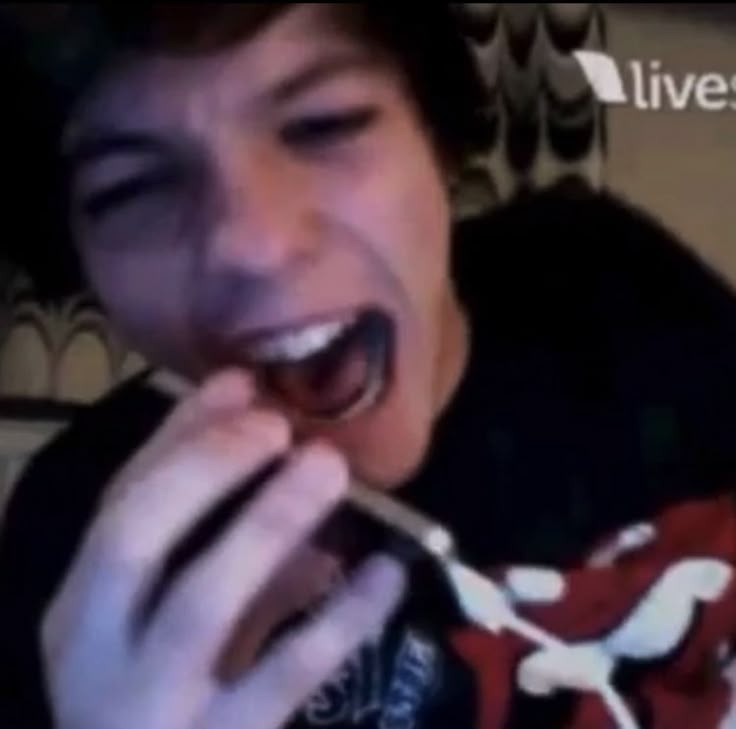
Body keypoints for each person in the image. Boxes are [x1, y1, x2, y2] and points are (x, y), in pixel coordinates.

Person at [3, 4, 736, 728]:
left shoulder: (605, 273)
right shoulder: (78, 532)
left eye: (324, 125)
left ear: (437, 142)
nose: (253, 244)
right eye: (133, 188)